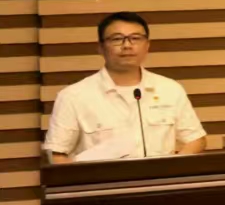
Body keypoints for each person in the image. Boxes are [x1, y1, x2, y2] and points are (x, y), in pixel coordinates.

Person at [44, 11, 208, 162]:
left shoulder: (170, 89)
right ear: (100, 47)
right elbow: (57, 154)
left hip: (160, 182)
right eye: (117, 39)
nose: (127, 45)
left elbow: (196, 139)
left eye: (135, 38)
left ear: (147, 45)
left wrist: (171, 170)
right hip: (101, 183)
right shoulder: (73, 96)